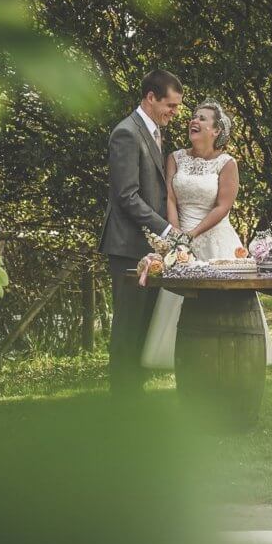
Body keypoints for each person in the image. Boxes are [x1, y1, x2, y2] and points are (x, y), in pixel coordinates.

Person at [140, 99, 272, 369]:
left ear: (216, 131)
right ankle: (183, 357)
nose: (194, 121)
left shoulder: (227, 163)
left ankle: (230, 355)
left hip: (216, 238)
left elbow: (223, 206)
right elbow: (170, 197)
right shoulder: (175, 157)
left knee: (223, 302)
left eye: (202, 118)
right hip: (180, 239)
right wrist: (177, 235)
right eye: (193, 117)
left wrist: (193, 234)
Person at [99, 69, 184, 396]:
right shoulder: (126, 133)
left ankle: (135, 396)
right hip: (127, 247)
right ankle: (122, 398)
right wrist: (167, 230)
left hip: (147, 246)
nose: (175, 113)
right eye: (171, 105)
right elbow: (126, 196)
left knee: (143, 325)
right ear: (151, 97)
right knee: (128, 326)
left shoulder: (152, 131)